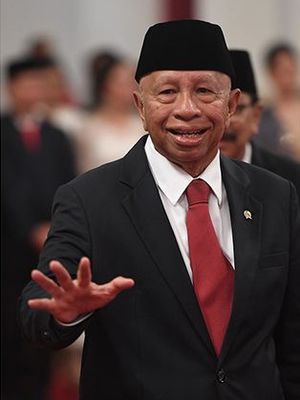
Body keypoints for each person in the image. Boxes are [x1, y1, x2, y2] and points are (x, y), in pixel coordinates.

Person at [19, 20, 300, 399]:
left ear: (231, 104)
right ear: (140, 104)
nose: (187, 109)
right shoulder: (89, 199)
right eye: (167, 92)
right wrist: (66, 311)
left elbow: (292, 332)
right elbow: (39, 306)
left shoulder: (275, 195)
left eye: (204, 92)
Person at [1, 56, 76, 400]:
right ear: (11, 88)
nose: (32, 90)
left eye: (37, 83)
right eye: (25, 83)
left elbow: (68, 183)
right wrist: (29, 227)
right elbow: (8, 187)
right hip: (9, 247)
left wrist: (54, 227)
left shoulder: (57, 135)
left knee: (43, 321)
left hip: (49, 244)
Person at [220, 49, 300, 198]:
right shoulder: (190, 180)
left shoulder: (289, 178)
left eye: (238, 109)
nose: (227, 121)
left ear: (256, 115)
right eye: (219, 108)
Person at [78, 50, 143, 172]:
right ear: (105, 86)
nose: (131, 88)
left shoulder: (144, 123)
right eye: (122, 83)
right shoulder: (88, 127)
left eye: (133, 82)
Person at [254, 43, 300, 161]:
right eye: (283, 71)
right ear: (272, 73)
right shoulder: (264, 115)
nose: (288, 77)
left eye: (291, 70)